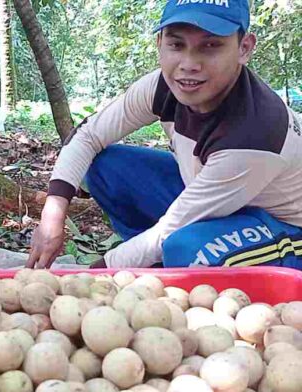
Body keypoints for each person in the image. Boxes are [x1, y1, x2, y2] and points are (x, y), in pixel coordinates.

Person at [27, 0, 302, 271]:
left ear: (244, 48)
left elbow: (169, 230)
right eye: (177, 44)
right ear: (160, 43)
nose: (189, 64)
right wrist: (53, 215)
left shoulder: (255, 132)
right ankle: (150, 263)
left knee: (186, 249)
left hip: (285, 225)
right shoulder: (161, 87)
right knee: (106, 165)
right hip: (214, 201)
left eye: (211, 45)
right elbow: (88, 135)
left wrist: (94, 276)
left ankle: (152, 266)